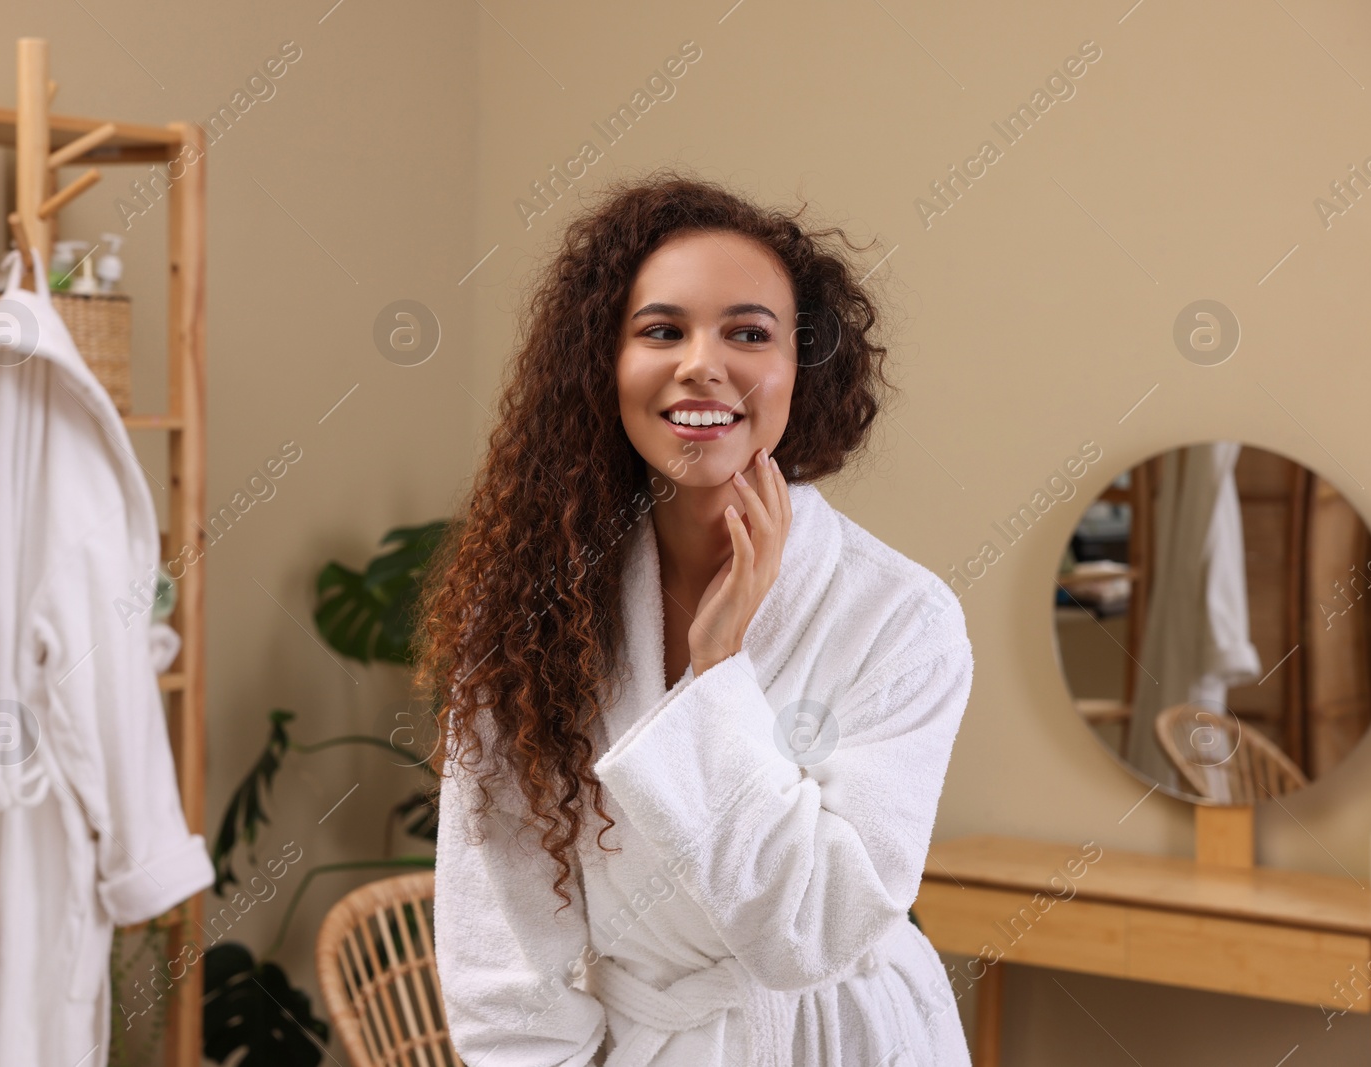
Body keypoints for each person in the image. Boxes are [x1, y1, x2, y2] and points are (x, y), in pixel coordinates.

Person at [413, 169, 974, 1066]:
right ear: (606, 364)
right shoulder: (528, 605)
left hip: (847, 1040)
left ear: (802, 368)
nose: (701, 362)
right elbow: (503, 926)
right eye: (661, 330)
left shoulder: (901, 616)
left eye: (747, 332)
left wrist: (719, 674)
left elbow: (816, 931)